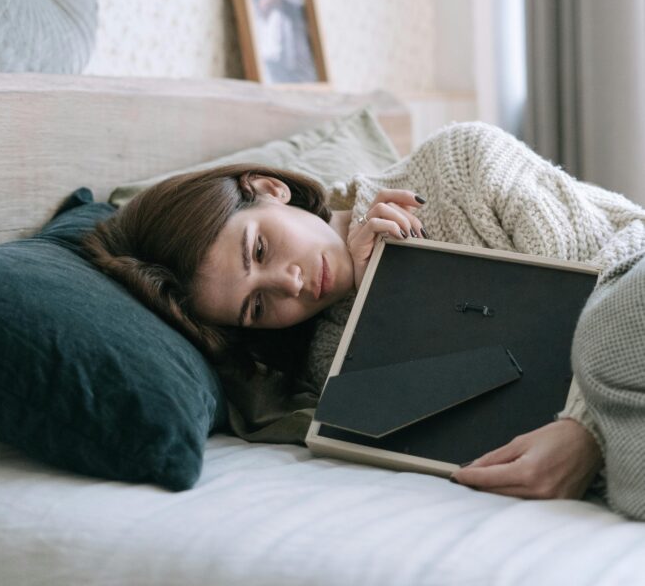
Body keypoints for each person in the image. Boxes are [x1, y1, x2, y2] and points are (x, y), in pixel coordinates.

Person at [82, 120, 645, 519]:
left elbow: (610, 276)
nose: (289, 285)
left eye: (259, 250)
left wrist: (588, 433)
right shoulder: (334, 368)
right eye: (257, 307)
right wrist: (379, 292)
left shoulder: (457, 165)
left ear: (270, 189)